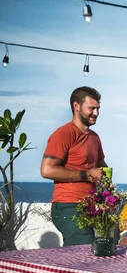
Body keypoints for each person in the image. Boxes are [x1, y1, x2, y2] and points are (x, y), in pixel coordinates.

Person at [40, 86, 107, 246]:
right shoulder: (63, 133)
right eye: (91, 108)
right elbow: (47, 170)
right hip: (68, 206)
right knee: (84, 251)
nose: (96, 113)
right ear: (76, 106)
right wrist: (86, 175)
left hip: (91, 207)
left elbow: (101, 167)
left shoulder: (94, 138)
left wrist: (105, 184)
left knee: (84, 257)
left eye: (98, 109)